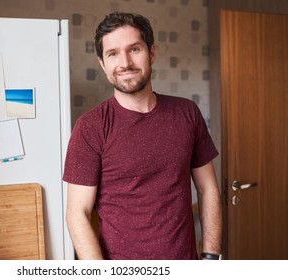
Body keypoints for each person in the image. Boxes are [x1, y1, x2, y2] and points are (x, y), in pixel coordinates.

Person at [63, 12, 222, 260]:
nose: (125, 62)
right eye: (112, 54)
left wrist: (212, 257)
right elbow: (77, 213)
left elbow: (208, 188)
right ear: (103, 64)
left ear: (152, 53)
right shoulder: (90, 127)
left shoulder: (187, 113)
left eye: (134, 49)